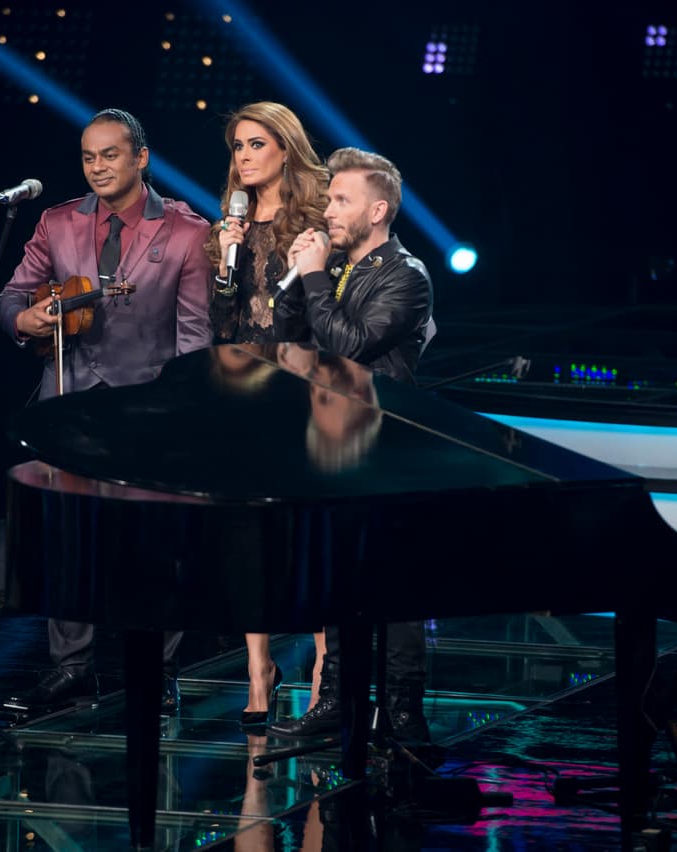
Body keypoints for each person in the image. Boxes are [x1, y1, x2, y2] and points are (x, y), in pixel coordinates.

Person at [0, 108, 212, 715]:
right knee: (66, 540)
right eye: (89, 157)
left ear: (141, 157)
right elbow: (16, 290)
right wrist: (23, 318)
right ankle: (70, 669)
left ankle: (159, 671)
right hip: (66, 402)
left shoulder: (188, 232)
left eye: (110, 155)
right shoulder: (57, 221)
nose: (97, 167)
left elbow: (195, 337)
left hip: (149, 408)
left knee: (154, 543)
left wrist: (181, 413)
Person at [268, 146, 436, 744]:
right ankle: (338, 701)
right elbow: (289, 343)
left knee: (396, 582)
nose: (329, 209)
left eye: (342, 200)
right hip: (330, 437)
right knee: (336, 575)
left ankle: (402, 709)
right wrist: (292, 283)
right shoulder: (336, 269)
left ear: (379, 209)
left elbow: (350, 346)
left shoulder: (406, 275)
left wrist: (313, 277)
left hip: (384, 443)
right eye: (330, 197)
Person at [204, 102, 330, 728]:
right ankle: (259, 670)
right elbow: (221, 326)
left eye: (255, 144)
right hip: (245, 390)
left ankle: (323, 665)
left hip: (304, 388)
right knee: (249, 534)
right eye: (236, 147)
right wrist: (225, 264)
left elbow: (320, 314)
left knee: (308, 534)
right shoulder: (230, 227)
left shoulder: (315, 221)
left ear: (285, 148)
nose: (243, 157)